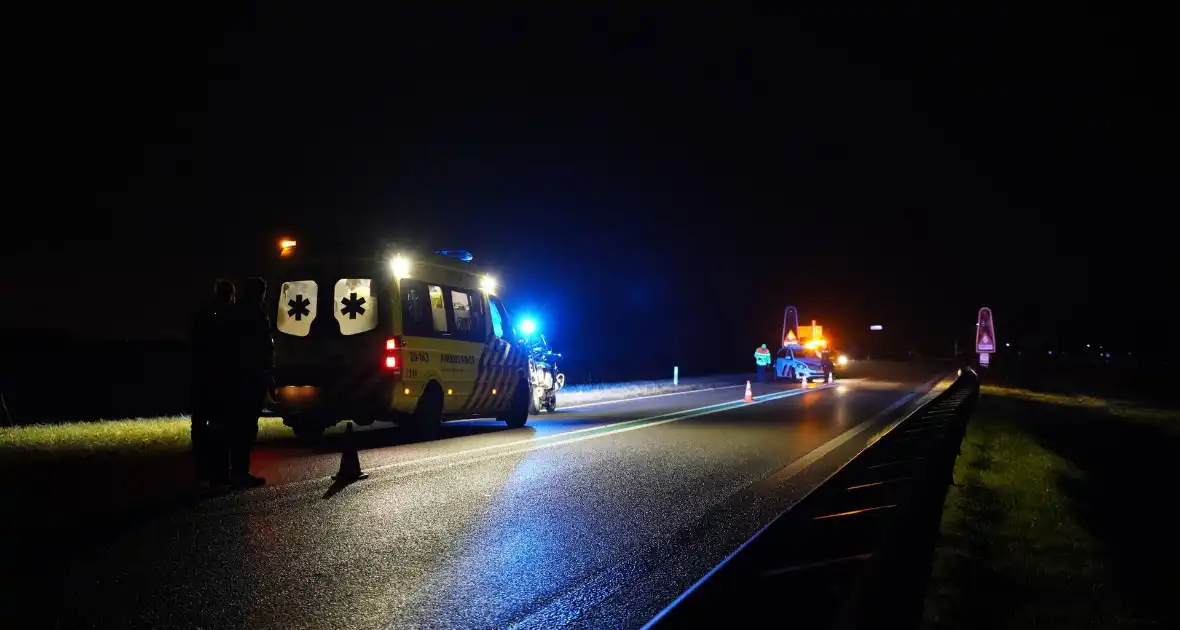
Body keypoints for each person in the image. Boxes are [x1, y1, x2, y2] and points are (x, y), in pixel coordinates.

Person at [224, 277, 273, 488]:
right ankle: (240, 472)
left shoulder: (233, 313)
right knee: (245, 428)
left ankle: (227, 470)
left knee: (233, 426)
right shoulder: (257, 317)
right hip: (250, 378)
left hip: (233, 378)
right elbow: (264, 350)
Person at [188, 279, 236, 484]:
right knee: (222, 425)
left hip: (203, 377)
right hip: (221, 379)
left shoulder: (204, 314)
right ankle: (221, 470)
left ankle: (203, 467)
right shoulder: (231, 318)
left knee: (201, 425)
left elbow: (194, 343)